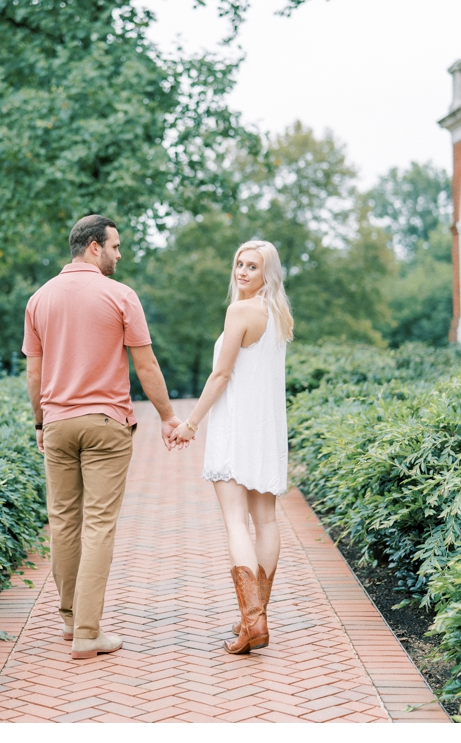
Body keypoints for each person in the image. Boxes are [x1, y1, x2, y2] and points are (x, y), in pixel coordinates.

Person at [24, 215, 181, 660]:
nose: (119, 254)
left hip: (56, 424)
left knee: (63, 522)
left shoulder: (39, 299)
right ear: (94, 246)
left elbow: (34, 373)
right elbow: (146, 366)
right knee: (97, 526)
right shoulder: (120, 296)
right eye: (115, 246)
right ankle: (88, 634)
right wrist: (168, 417)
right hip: (106, 425)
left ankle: (71, 619)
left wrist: (40, 422)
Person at [168, 240, 293, 654]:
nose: (242, 271)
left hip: (238, 426)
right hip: (268, 429)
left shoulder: (240, 311)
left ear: (266, 274)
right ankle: (254, 619)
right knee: (268, 522)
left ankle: (252, 623)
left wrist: (190, 423)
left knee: (236, 522)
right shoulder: (278, 315)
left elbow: (221, 376)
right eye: (239, 263)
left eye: (252, 266)